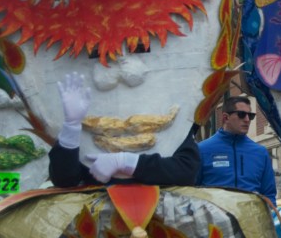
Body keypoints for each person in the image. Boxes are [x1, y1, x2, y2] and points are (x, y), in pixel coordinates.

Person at [50, 73, 200, 188]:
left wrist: (127, 162)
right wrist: (72, 126)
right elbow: (64, 180)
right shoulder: (83, 127)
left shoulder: (176, 125)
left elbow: (186, 172)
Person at [197, 96, 277, 202]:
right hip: (215, 217)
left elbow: (269, 194)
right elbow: (191, 192)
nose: (247, 120)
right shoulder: (201, 150)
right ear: (226, 118)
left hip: (251, 217)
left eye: (251, 115)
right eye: (241, 114)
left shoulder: (260, 152)